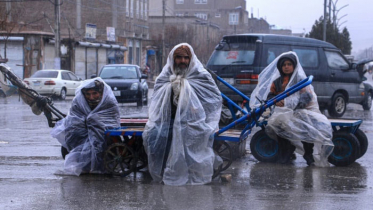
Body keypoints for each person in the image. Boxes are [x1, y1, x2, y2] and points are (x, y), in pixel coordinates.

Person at [142, 43, 222, 186]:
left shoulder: (201, 76)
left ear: (191, 59)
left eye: (186, 58)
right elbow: (155, 103)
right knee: (154, 135)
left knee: (189, 135)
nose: (183, 61)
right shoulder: (164, 77)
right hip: (168, 121)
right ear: (173, 59)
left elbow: (213, 101)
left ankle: (189, 171)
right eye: (179, 57)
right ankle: (163, 171)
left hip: (194, 122)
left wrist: (196, 109)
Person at [250, 51, 334, 167]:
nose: (286, 67)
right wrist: (275, 101)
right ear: (280, 67)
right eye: (284, 65)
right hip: (284, 112)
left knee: (306, 129)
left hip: (301, 110)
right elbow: (271, 95)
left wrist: (293, 106)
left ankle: (308, 155)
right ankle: (286, 152)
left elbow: (307, 96)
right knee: (279, 127)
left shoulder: (300, 80)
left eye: (289, 64)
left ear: (294, 66)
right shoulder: (277, 81)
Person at [51, 78, 120, 175]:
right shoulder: (78, 101)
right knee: (73, 132)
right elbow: (74, 118)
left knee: (101, 139)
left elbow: (112, 119)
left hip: (102, 131)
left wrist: (93, 121)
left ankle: (99, 164)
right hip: (82, 130)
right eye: (88, 94)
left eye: (94, 93)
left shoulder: (109, 101)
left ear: (101, 92)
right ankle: (84, 164)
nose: (91, 97)